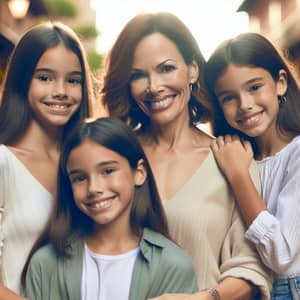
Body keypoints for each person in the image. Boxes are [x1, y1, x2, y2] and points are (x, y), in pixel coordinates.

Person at [101, 12, 272, 300]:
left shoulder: (230, 159)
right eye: (138, 75)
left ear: (192, 70)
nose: (154, 87)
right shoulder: (113, 157)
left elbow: (252, 268)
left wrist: (202, 298)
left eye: (166, 68)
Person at [23, 117, 198, 300]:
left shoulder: (173, 264)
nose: (93, 188)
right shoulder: (45, 263)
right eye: (80, 178)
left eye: (107, 171)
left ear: (139, 173)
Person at [0, 21, 93, 299]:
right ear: (22, 81)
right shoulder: (4, 162)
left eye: (73, 80)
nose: (61, 90)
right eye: (45, 77)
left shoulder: (88, 164)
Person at [205, 32, 300, 299]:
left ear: (280, 83)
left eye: (254, 87)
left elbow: (280, 254)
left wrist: (238, 174)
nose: (244, 105)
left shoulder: (296, 154)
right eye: (228, 97)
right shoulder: (236, 154)